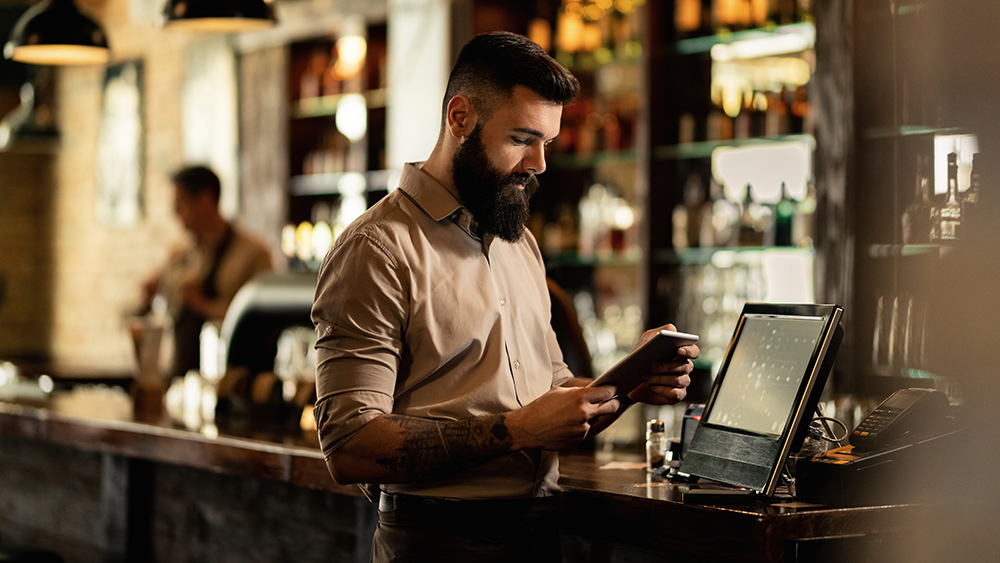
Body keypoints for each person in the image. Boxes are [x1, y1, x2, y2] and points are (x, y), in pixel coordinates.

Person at [311, 32, 699, 562]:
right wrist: (516, 430)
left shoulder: (519, 242)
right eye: (522, 138)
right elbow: (349, 446)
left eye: (548, 143)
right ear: (460, 118)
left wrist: (631, 381)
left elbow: (554, 393)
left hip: (539, 532)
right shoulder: (376, 249)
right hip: (436, 541)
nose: (539, 163)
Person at [141, 166, 273, 379]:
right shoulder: (180, 254)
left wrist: (204, 305)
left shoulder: (254, 254)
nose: (175, 215)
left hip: (233, 376)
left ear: (205, 200)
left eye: (180, 205)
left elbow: (262, 320)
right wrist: (151, 293)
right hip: (181, 373)